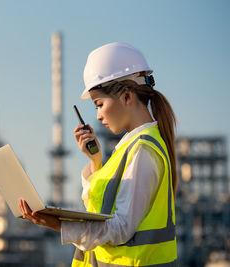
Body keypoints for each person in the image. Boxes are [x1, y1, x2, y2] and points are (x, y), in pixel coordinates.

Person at [19, 42, 178, 266]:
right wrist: (95, 162)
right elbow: (102, 213)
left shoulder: (143, 150)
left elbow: (121, 228)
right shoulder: (129, 146)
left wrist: (59, 225)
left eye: (99, 104)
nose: (99, 116)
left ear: (127, 97)